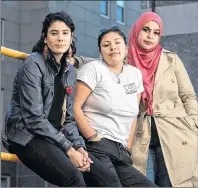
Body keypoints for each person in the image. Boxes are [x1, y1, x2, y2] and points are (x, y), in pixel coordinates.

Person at [4, 11, 92, 187]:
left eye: (65, 33)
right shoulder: (32, 65)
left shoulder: (69, 71)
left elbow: (67, 119)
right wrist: (68, 149)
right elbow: (34, 119)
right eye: (54, 33)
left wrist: (79, 146)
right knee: (73, 178)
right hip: (25, 136)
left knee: (93, 173)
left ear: (71, 37)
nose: (60, 38)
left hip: (51, 137)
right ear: (45, 38)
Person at [73, 26, 156, 187]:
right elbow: (75, 107)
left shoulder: (134, 74)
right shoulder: (93, 69)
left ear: (126, 49)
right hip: (96, 146)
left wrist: (128, 146)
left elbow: (134, 114)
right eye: (106, 45)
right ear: (100, 52)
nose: (112, 47)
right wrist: (92, 137)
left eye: (117, 43)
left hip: (121, 151)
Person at [128, 12, 198, 187]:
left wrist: (194, 124)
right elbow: (99, 65)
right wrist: (76, 61)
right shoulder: (124, 60)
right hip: (139, 139)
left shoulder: (170, 59)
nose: (150, 36)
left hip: (175, 134)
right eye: (146, 30)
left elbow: (188, 95)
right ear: (137, 30)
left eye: (156, 32)